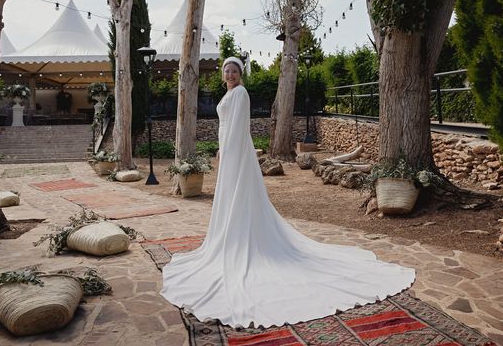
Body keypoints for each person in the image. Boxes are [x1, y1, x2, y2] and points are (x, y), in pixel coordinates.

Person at [160, 57, 415, 328]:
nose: (231, 74)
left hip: (237, 150)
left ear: (239, 74)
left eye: (234, 71)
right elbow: (226, 126)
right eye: (227, 71)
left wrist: (228, 152)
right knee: (230, 196)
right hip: (228, 147)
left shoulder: (242, 93)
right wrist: (221, 149)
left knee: (240, 194)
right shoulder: (228, 93)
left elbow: (237, 127)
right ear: (223, 74)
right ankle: (228, 235)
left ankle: (243, 236)